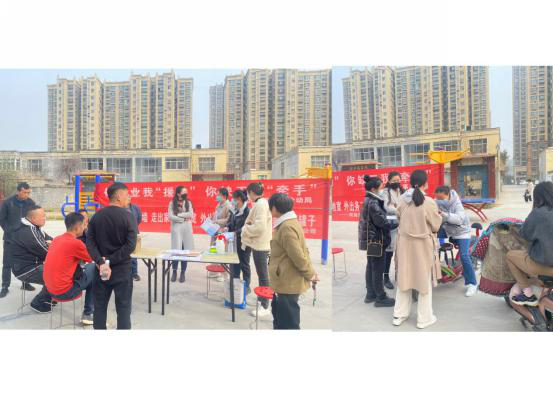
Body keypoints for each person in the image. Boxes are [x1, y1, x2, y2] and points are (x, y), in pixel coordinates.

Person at [392, 170, 443, 329]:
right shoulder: (429, 202)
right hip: (422, 246)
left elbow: (398, 218)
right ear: (425, 183)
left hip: (404, 244)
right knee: (424, 282)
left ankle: (399, 315)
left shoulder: (402, 199)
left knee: (404, 279)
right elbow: (436, 225)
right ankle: (424, 319)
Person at [86, 182, 138, 330]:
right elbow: (130, 246)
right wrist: (109, 260)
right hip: (122, 270)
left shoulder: (97, 216)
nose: (129, 197)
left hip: (101, 269)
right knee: (123, 309)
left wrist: (101, 261)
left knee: (99, 308)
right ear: (119, 197)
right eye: (127, 194)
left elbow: (89, 243)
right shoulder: (129, 217)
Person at [268, 193, 318, 329]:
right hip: (284, 280)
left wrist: (311, 274)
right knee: (281, 317)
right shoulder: (287, 223)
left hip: (288, 282)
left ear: (274, 208)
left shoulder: (286, 227)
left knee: (288, 322)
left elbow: (298, 256)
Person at [43, 212, 96, 325]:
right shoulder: (76, 243)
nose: (86, 227)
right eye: (85, 224)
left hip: (50, 290)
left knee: (90, 276)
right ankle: (88, 313)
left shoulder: (57, 239)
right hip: (64, 292)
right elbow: (92, 258)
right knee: (94, 268)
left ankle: (88, 312)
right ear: (78, 227)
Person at [507, 181, 553, 306]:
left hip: (543, 265)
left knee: (510, 256)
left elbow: (525, 234)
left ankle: (527, 294)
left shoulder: (538, 213)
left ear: (538, 197)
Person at [358, 176, 398, 307]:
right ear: (373, 189)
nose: (382, 189)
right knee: (377, 268)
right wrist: (397, 223)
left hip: (371, 239)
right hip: (377, 240)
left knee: (371, 266)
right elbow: (382, 222)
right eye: (381, 187)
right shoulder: (373, 203)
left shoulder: (368, 200)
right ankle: (380, 297)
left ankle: (370, 294)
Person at [434, 185, 479, 297]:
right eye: (437, 198)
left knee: (464, 255)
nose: (439, 200)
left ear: (448, 195)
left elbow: (459, 219)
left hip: (461, 231)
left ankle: (472, 284)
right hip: (447, 229)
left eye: (441, 198)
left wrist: (443, 214)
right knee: (427, 239)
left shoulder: (456, 203)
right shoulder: (436, 201)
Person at [10, 206, 54, 313]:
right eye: (43, 216)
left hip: (30, 265)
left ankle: (50, 296)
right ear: (33, 218)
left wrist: (51, 244)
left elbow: (51, 240)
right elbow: (46, 252)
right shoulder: (29, 231)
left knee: (57, 271)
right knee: (58, 275)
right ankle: (38, 303)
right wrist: (50, 246)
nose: (45, 218)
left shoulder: (34, 227)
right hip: (26, 270)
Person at [0, 182, 37, 298]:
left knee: (25, 262)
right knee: (7, 263)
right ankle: (5, 286)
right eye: (25, 192)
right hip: (10, 239)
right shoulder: (7, 203)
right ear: (18, 191)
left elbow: (34, 218)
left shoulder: (31, 203)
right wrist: (9, 230)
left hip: (25, 239)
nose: (27, 195)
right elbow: (2, 219)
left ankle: (25, 283)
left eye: (28, 192)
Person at [242, 182, 272, 317]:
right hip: (260, 244)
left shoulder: (260, 205)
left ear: (252, 193)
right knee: (262, 275)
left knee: (263, 276)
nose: (248, 196)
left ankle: (265, 305)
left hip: (260, 245)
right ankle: (262, 301)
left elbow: (259, 227)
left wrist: (246, 229)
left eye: (248, 193)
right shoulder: (261, 203)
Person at [223, 189, 252, 293]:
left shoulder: (247, 212)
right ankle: (235, 284)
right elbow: (230, 222)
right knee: (235, 263)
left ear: (239, 199)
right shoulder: (234, 210)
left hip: (244, 242)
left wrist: (236, 232)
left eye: (234, 199)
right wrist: (227, 227)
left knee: (244, 264)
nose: (233, 201)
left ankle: (246, 286)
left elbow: (247, 227)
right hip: (234, 241)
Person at [382, 171, 404, 290]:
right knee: (389, 252)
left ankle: (398, 274)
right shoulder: (385, 192)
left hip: (402, 225)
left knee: (401, 252)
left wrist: (397, 208)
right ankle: (385, 277)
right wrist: (399, 210)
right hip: (391, 226)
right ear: (389, 181)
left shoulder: (402, 191)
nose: (396, 182)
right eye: (394, 181)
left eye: (398, 180)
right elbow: (387, 207)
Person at [168, 186, 194, 283]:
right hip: (176, 229)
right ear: (178, 193)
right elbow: (170, 216)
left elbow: (190, 214)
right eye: (183, 192)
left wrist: (178, 215)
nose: (185, 194)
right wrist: (183, 219)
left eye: (186, 192)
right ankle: (174, 271)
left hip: (186, 229)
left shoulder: (188, 202)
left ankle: (183, 272)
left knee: (184, 252)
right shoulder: (172, 203)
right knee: (176, 251)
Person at [76, 208, 95, 324]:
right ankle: (88, 313)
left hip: (59, 284)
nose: (84, 219)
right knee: (94, 273)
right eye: (81, 218)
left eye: (85, 217)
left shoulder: (91, 228)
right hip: (69, 285)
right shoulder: (75, 239)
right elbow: (88, 256)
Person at [128, 201, 142, 282]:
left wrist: (133, 226)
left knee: (134, 253)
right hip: (122, 233)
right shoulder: (120, 208)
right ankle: (126, 274)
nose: (128, 198)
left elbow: (139, 219)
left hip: (134, 232)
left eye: (129, 196)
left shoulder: (135, 207)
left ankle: (134, 273)